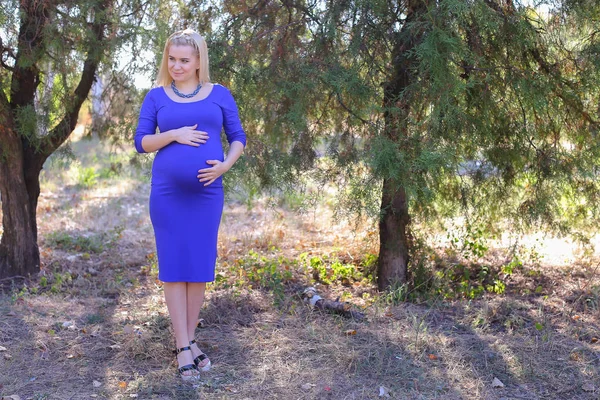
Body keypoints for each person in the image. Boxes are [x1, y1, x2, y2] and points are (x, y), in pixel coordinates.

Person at [134, 29, 246, 381]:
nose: (177, 65)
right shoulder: (156, 97)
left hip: (207, 194)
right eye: (172, 59)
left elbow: (238, 137)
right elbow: (141, 142)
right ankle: (183, 347)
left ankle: (190, 340)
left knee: (198, 267)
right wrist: (174, 134)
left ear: (199, 61)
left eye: (184, 60)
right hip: (167, 194)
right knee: (174, 266)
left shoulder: (220, 95)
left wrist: (226, 165)